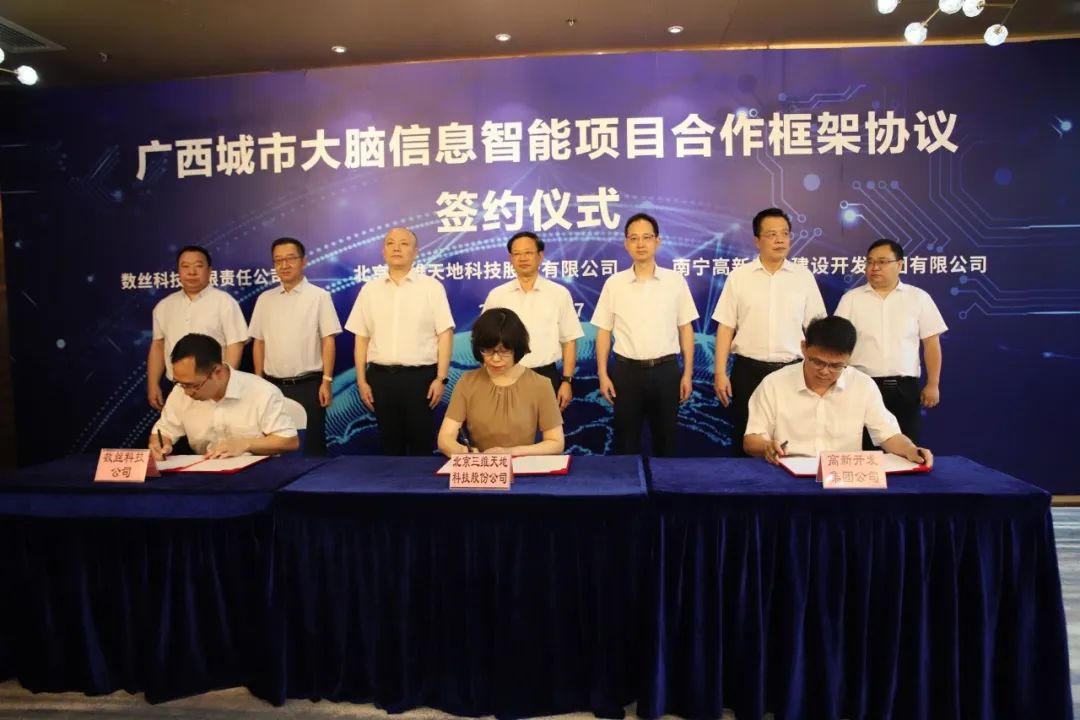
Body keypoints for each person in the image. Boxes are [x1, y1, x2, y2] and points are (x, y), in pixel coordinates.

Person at [743, 315, 933, 467]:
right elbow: (751, 440)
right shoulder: (774, 383)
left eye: (836, 365)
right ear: (804, 348)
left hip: (843, 476)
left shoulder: (862, 385)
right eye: (817, 362)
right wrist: (766, 446)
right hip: (788, 473)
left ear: (849, 358)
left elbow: (888, 435)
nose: (825, 371)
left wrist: (910, 450)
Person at [712, 208, 826, 454]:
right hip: (748, 371)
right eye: (772, 234)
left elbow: (816, 327)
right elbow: (726, 326)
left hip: (792, 371)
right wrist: (720, 372)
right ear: (757, 240)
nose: (780, 240)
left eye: (785, 234)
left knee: (793, 441)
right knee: (747, 439)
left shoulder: (803, 277)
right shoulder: (740, 277)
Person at [591, 212, 698, 456]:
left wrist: (687, 374)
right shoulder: (614, 283)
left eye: (647, 237)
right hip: (626, 373)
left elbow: (686, 328)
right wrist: (603, 374)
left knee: (666, 443)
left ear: (657, 241)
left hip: (666, 372)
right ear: (626, 243)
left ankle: (666, 483)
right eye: (634, 238)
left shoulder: (675, 281)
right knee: (625, 444)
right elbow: (604, 331)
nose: (640, 244)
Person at [345, 227, 454, 455]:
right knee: (389, 446)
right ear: (383, 251)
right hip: (381, 379)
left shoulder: (431, 287)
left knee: (421, 446)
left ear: (416, 252)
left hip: (421, 380)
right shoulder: (370, 290)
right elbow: (361, 338)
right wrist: (362, 381)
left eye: (404, 243)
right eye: (390, 243)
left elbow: (445, 334)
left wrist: (441, 379)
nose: (396, 248)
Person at [835, 238, 947, 447]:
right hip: (863, 385)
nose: (874, 267)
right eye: (870, 262)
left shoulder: (918, 297)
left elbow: (931, 343)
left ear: (899, 264)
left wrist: (933, 384)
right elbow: (838, 343)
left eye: (882, 262)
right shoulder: (852, 298)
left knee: (907, 449)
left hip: (905, 389)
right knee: (864, 451)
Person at [249, 237, 342, 456]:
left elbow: (328, 340)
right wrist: (259, 381)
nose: (284, 265)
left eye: (290, 258)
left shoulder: (319, 296)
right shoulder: (265, 299)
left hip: (309, 385)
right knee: (274, 446)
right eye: (278, 260)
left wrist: (326, 381)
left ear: (303, 261)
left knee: (312, 447)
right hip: (272, 387)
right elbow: (259, 342)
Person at [149, 333, 298, 460]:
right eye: (179, 383)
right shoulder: (179, 392)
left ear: (217, 372)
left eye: (193, 385)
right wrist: (160, 445)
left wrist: (245, 444)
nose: (187, 392)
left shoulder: (261, 391)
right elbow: (163, 432)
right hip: (206, 471)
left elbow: (289, 440)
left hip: (256, 472)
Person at [437, 308, 564, 456]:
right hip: (480, 465)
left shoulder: (541, 385)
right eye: (487, 350)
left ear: (517, 348)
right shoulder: (467, 382)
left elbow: (556, 443)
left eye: (504, 351)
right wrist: (464, 452)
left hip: (522, 465)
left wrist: (511, 452)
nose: (495, 359)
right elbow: (445, 438)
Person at [482, 231, 584, 409]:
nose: (523, 258)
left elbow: (569, 340)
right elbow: (484, 340)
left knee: (547, 427)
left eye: (528, 252)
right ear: (510, 258)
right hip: (504, 376)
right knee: (505, 426)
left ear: (540, 255)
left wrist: (567, 381)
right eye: (517, 254)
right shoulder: (497, 295)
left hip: (545, 376)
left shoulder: (558, 294)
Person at [147, 245, 248, 410]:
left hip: (213, 388)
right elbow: (158, 345)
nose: (192, 272)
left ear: (209, 271)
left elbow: (235, 344)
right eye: (185, 266)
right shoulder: (164, 306)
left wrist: (225, 384)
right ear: (178, 271)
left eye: (198, 266)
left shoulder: (224, 302)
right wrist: (153, 384)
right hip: (178, 388)